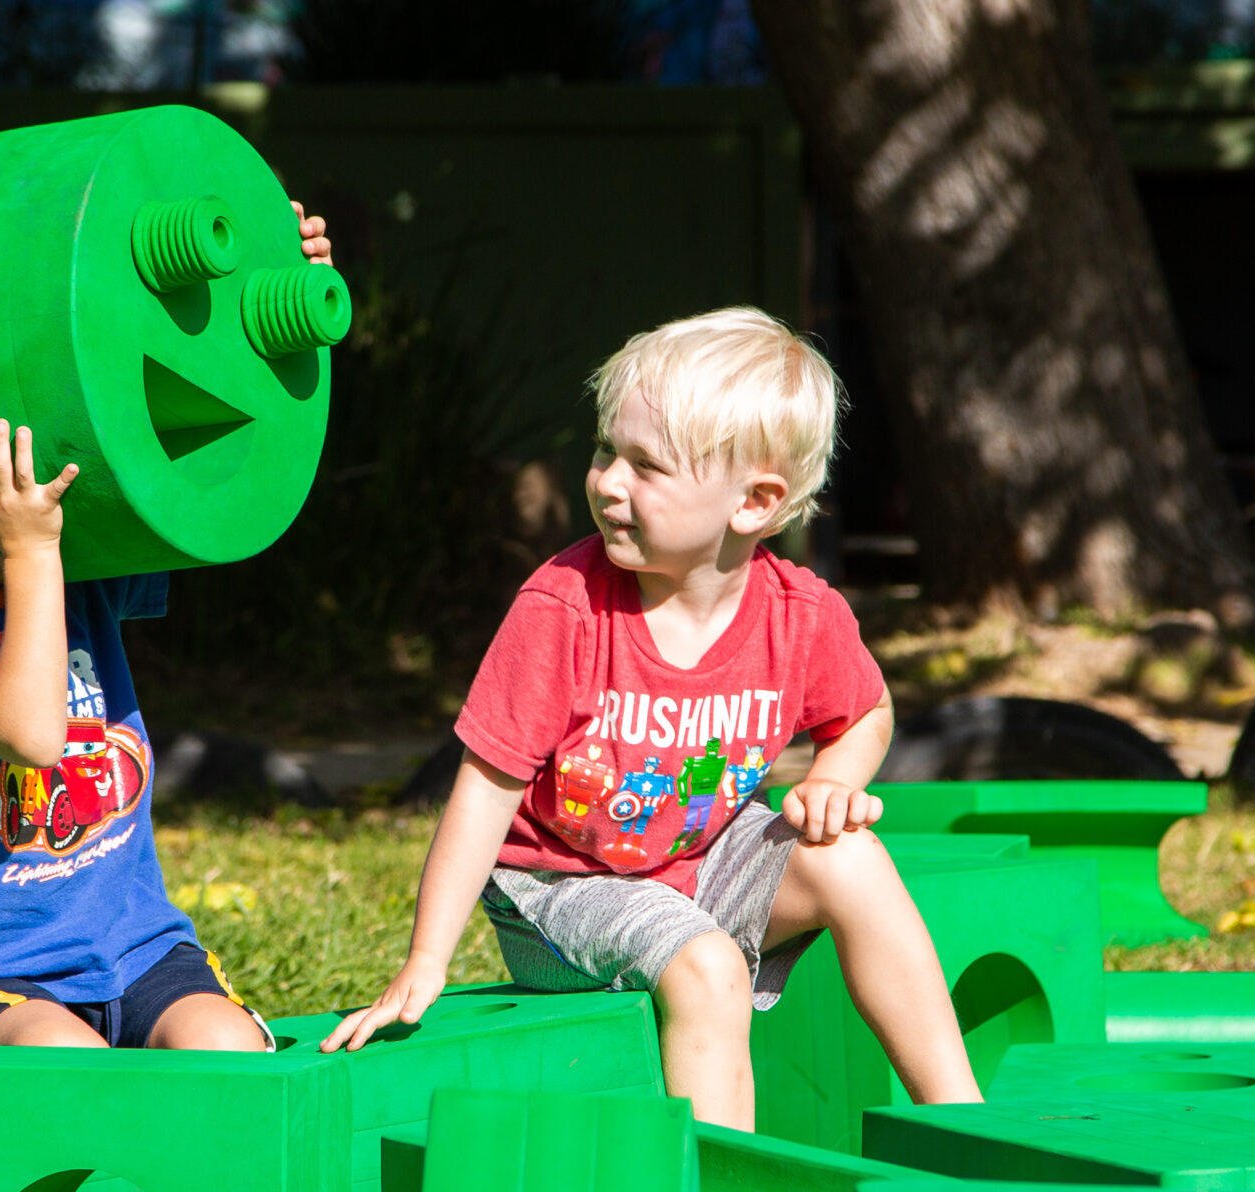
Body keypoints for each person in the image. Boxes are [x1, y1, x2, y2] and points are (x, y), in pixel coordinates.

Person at [323, 307, 982, 1130]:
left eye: (646, 465)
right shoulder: (563, 607)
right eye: (606, 450)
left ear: (755, 503)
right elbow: (485, 788)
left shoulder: (798, 613)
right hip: (560, 885)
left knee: (852, 857)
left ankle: (962, 1121)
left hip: (696, 856)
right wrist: (426, 959)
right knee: (708, 966)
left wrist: (835, 778)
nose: (606, 481)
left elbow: (868, 710)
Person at [0, 207, 333, 1067]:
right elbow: (32, 737)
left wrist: (265, 309)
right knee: (66, 1068)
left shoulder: (67, 553)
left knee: (230, 1054)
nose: (23, 445)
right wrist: (33, 550)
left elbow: (197, 474)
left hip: (139, 946)